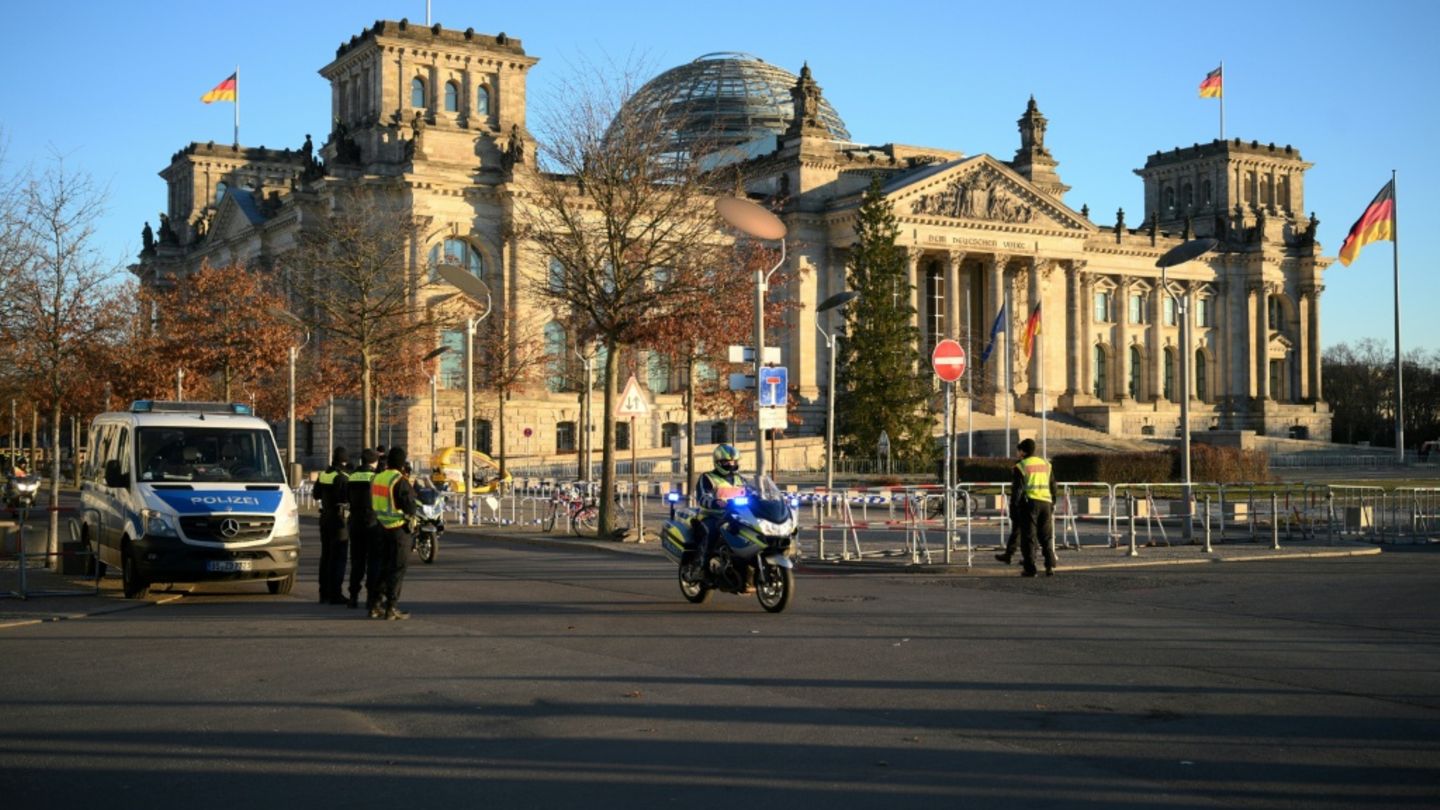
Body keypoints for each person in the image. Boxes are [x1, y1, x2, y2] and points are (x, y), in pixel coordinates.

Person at [370, 446, 417, 620]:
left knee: (382, 568)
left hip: (381, 527)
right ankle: (391, 607)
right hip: (398, 529)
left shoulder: (379, 478)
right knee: (397, 570)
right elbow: (410, 506)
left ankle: (375, 605)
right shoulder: (400, 481)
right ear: (402, 463)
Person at [693, 444, 747, 571]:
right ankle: (702, 565)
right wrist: (716, 502)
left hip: (736, 516)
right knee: (713, 532)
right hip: (711, 516)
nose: (731, 464)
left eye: (733, 461)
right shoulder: (707, 478)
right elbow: (702, 497)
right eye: (727, 462)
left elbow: (753, 493)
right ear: (718, 462)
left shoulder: (740, 479)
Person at [1010, 438, 1057, 577]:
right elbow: (1053, 485)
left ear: (1023, 451)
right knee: (1046, 536)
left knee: (1029, 537)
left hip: (1030, 504)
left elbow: (1017, 489)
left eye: (1019, 450)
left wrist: (1014, 506)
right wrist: (1052, 502)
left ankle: (1030, 569)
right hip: (1046, 503)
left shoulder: (1021, 466)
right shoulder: (1046, 464)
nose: (1018, 453)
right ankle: (1050, 566)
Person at [314, 447, 350, 605]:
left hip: (325, 518)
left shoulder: (323, 475)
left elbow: (316, 495)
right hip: (338, 520)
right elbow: (347, 498)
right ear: (344, 460)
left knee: (326, 556)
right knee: (339, 558)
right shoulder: (342, 477)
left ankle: (324, 592)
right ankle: (336, 593)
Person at [346, 448, 381, 610]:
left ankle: (353, 596)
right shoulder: (375, 477)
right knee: (373, 561)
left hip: (354, 521)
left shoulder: (352, 476)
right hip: (372, 522)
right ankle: (371, 597)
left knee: (357, 561)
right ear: (374, 461)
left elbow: (346, 497)